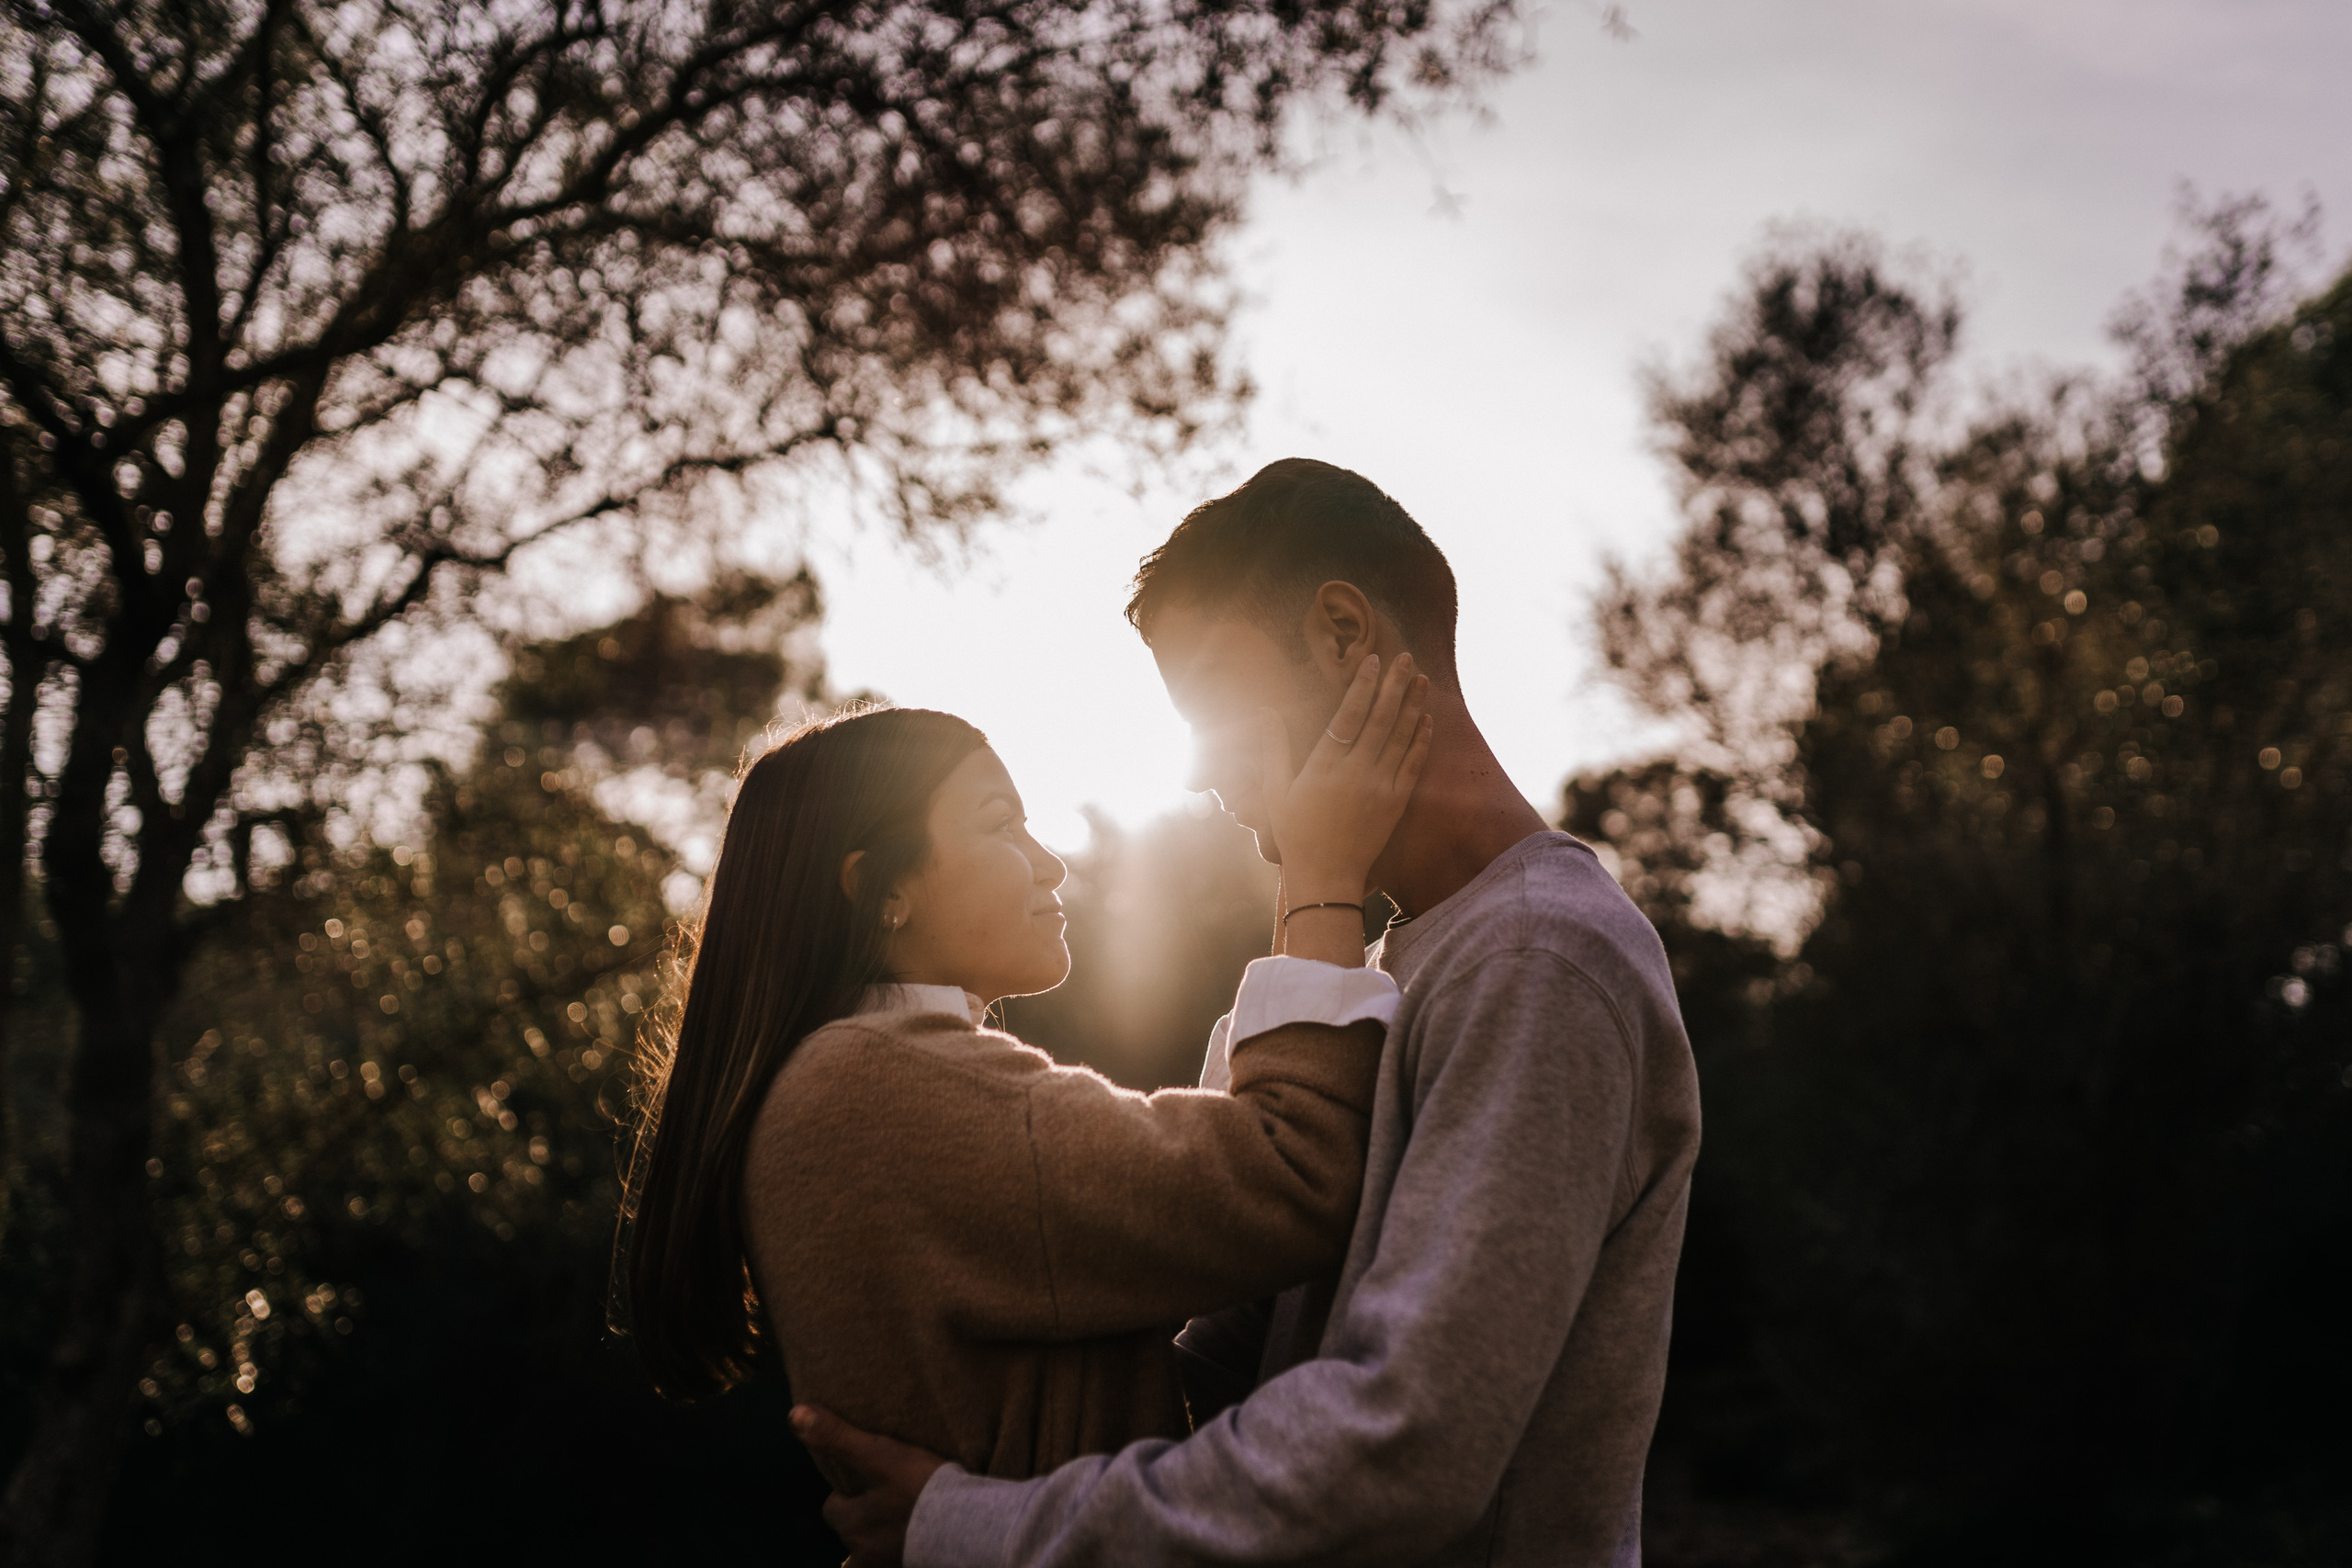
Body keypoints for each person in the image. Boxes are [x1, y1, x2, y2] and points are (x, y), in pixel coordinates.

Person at [797, 457, 1703, 1567]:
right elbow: (1234, 1385)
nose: (1194, 774)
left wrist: (971, 1526)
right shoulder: (1362, 984)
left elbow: (1406, 1447)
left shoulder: (1541, 959)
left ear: (1339, 633)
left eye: (1210, 706)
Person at [620, 657, 1433, 1483]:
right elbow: (1295, 1171)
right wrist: (1323, 872)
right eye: (1001, 823)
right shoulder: (878, 1088)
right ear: (879, 889)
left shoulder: (853, 1079)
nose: (1048, 862)